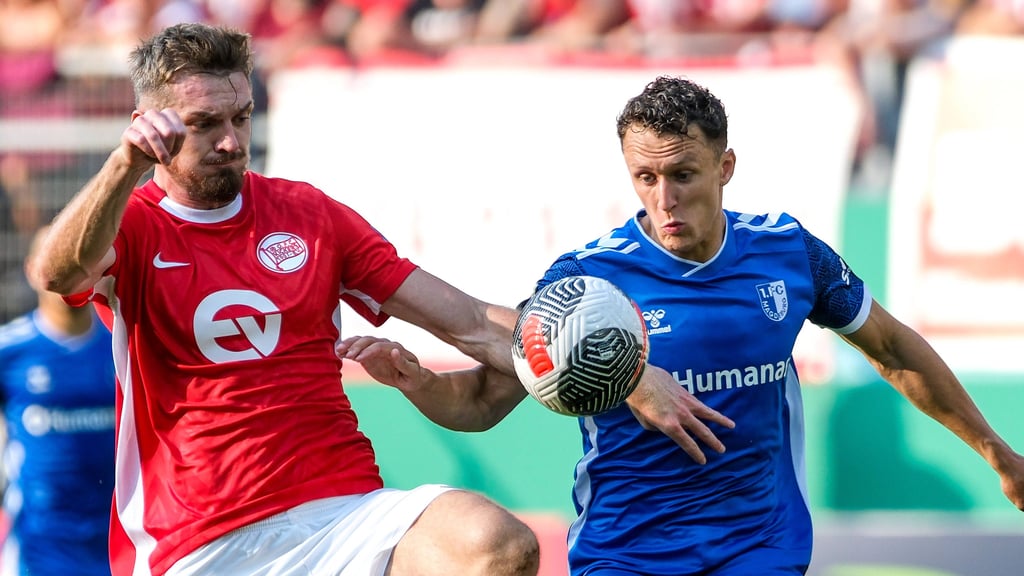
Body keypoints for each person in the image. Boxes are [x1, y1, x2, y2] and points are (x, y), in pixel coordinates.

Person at [26, 23, 729, 576]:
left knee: (496, 545)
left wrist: (624, 374)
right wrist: (121, 166)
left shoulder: (308, 214)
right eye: (205, 125)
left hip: (343, 508)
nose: (232, 141)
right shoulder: (136, 224)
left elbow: (471, 325)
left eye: (240, 116)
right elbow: (58, 274)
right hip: (201, 542)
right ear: (152, 126)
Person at [339, 75, 1024, 575]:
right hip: (625, 552)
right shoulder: (584, 287)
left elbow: (894, 347)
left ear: (725, 168)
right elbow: (486, 403)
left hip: (759, 546)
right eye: (645, 178)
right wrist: (418, 383)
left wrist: (996, 451)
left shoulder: (788, 254)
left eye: (684, 175)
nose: (665, 200)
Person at [0, 226, 116, 576]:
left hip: (121, 542)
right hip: (41, 548)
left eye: (79, 262)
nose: (69, 274)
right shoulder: (10, 350)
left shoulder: (123, 345)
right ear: (33, 270)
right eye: (58, 262)